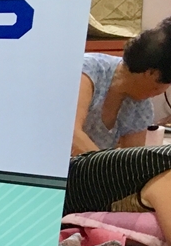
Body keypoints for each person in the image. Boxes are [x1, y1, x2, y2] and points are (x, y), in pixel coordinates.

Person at [72, 18, 171, 154]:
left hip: (91, 166)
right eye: (162, 86)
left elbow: (131, 159)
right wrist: (105, 165)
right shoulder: (88, 71)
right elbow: (71, 135)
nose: (158, 93)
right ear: (151, 73)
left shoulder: (141, 107)